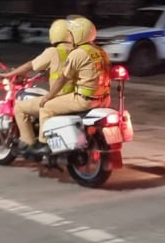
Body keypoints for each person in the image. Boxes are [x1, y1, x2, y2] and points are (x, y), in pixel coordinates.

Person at [29, 16, 112, 155]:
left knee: (45, 107)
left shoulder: (78, 53)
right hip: (104, 99)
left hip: (85, 100)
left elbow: (63, 79)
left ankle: (44, 144)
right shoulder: (101, 52)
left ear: (79, 35)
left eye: (72, 34)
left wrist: (48, 96)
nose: (71, 38)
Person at [0, 19, 74, 153]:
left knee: (20, 107)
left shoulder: (53, 52)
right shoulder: (77, 52)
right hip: (74, 98)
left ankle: (29, 144)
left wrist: (10, 75)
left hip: (58, 99)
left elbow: (30, 66)